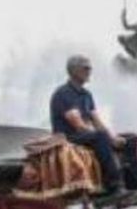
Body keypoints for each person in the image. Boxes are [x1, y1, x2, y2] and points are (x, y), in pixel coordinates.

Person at [50, 54, 128, 195]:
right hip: (68, 138)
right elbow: (78, 125)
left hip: (83, 136)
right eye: (85, 68)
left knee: (130, 139)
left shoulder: (87, 94)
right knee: (101, 137)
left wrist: (114, 138)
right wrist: (107, 138)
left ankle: (132, 183)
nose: (89, 71)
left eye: (90, 68)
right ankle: (113, 185)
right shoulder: (63, 93)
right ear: (74, 71)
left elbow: (97, 121)